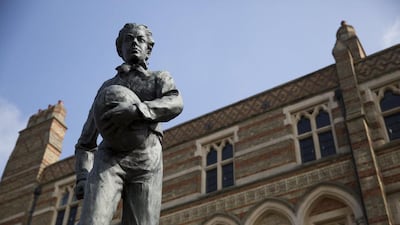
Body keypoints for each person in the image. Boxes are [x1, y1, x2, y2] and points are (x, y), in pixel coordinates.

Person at [74, 23, 183, 225]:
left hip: (147, 159)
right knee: (92, 221)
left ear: (148, 49)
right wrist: (82, 176)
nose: (134, 42)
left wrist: (136, 111)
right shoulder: (107, 88)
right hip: (109, 158)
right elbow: (85, 142)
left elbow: (175, 102)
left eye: (140, 39)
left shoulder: (159, 78)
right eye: (128, 39)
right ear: (120, 49)